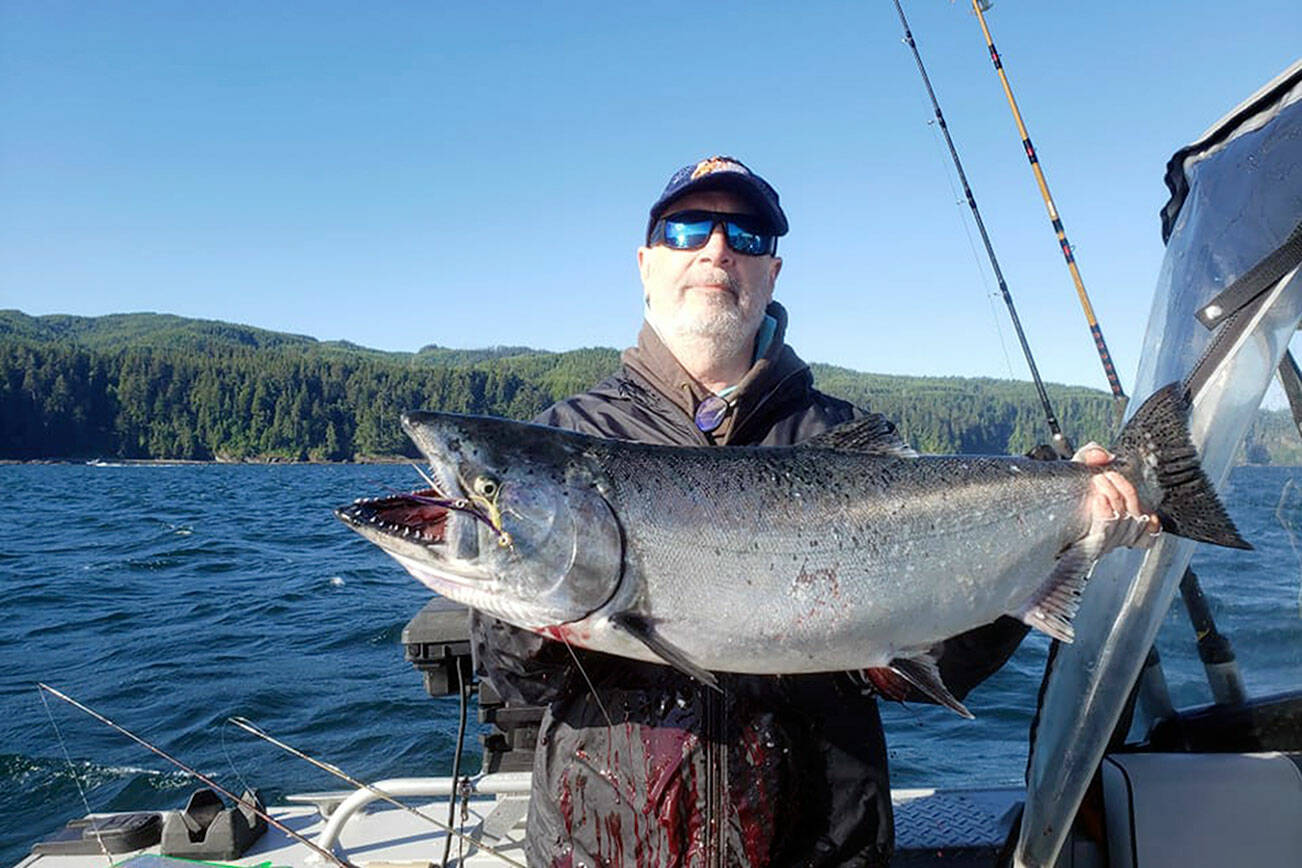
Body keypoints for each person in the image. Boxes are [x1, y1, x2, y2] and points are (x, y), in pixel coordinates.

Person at [470, 156, 1156, 868]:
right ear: (646, 263)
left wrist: (1062, 540)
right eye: (687, 228)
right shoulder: (561, 441)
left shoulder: (847, 442)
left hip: (822, 846)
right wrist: (531, 579)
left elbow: (936, 670)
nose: (717, 249)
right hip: (606, 848)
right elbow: (513, 682)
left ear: (771, 274)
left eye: (749, 236)